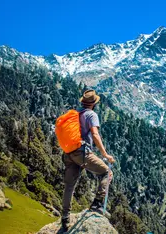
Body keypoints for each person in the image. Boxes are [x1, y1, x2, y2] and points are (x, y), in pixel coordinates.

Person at [61, 89, 115, 231]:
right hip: (82, 153)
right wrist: (105, 154)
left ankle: (65, 218)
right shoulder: (91, 114)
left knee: (69, 186)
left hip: (69, 153)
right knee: (106, 172)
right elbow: (95, 135)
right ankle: (97, 205)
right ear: (93, 104)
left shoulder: (76, 114)